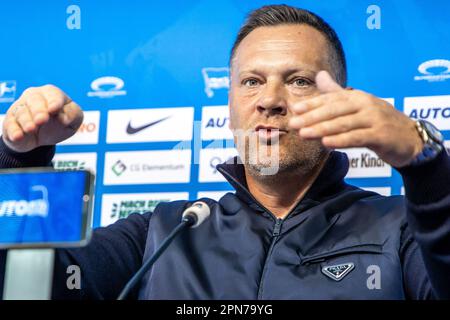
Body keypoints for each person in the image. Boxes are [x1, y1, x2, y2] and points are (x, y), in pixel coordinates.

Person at [0, 4, 449, 300]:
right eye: (251, 81)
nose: (269, 100)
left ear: (342, 100)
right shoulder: (161, 232)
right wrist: (21, 160)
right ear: (230, 104)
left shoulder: (401, 228)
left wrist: (424, 162)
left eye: (298, 81)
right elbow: (28, 288)